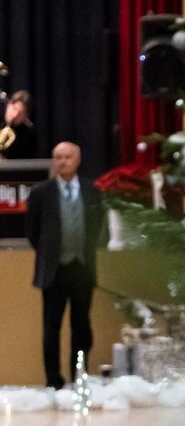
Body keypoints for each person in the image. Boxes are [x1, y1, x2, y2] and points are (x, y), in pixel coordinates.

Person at [25, 142, 104, 389]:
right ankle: (54, 380)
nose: (62, 161)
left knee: (81, 327)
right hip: (54, 269)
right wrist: (50, 253)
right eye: (57, 157)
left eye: (67, 157)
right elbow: (32, 232)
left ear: (78, 160)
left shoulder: (92, 191)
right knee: (52, 327)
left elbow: (98, 226)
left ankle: (79, 375)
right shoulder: (41, 193)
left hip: (82, 267)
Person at [1, 90, 39, 160]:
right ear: (8, 105)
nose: (15, 115)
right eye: (14, 109)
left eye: (20, 113)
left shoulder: (29, 136)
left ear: (26, 116)